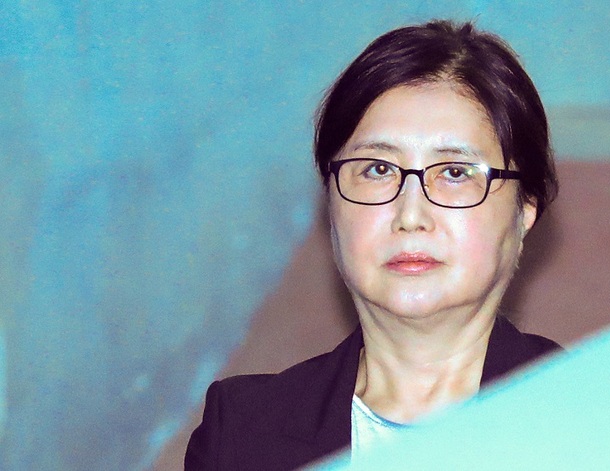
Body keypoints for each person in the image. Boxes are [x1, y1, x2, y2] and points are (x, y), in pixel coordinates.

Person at [185, 19, 561, 470]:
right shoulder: (242, 433)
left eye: (455, 173)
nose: (410, 215)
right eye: (377, 170)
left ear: (525, 209)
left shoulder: (599, 414)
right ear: (330, 201)